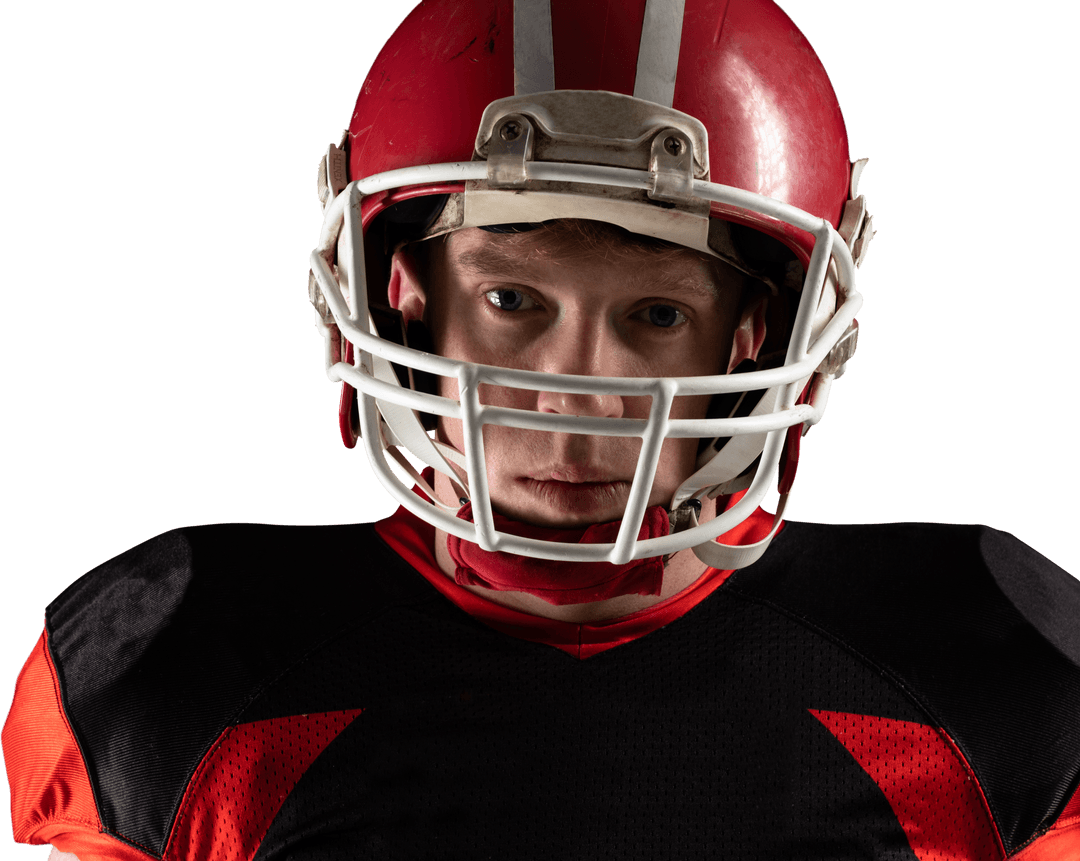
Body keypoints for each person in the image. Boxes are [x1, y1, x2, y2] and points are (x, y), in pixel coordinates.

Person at [4, 0, 1078, 858]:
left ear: (757, 332)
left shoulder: (988, 677)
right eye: (514, 302)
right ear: (401, 295)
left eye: (655, 315)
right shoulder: (182, 673)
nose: (578, 389)